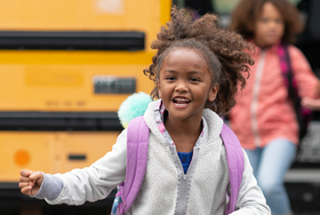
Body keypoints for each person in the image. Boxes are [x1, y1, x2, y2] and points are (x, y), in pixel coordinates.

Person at [19, 7, 271, 214]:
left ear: (213, 91)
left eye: (194, 80)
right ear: (159, 86)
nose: (181, 87)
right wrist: (48, 185)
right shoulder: (139, 136)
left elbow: (256, 206)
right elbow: (94, 181)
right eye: (171, 78)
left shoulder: (226, 145)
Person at [229, 0, 320, 215]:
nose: (272, 26)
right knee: (245, 192)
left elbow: (309, 86)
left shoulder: (291, 55)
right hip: (242, 135)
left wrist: (315, 93)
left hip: (281, 132)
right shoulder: (239, 56)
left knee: (268, 184)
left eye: (278, 21)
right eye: (265, 20)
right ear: (250, 22)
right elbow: (222, 90)